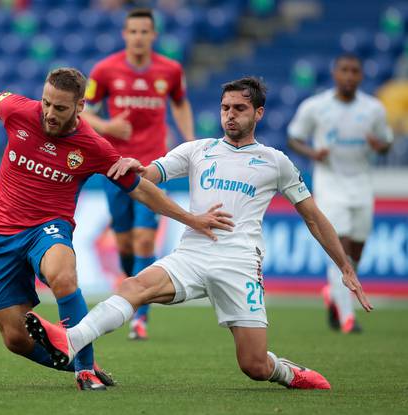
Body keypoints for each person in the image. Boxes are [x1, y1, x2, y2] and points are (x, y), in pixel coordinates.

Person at [25, 77, 374, 390]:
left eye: (239, 108)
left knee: (254, 365)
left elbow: (313, 217)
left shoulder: (276, 162)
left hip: (239, 264)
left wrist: (344, 266)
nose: (230, 115)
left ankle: (286, 372)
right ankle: (71, 341)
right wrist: (136, 169)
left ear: (259, 113)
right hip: (192, 255)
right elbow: (151, 174)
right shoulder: (198, 151)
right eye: (225, 108)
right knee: (134, 286)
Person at [0, 67, 233, 391]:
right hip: (1, 233)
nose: (49, 114)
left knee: (63, 274)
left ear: (80, 107)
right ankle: (77, 361)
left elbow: (138, 188)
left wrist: (192, 218)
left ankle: (85, 371)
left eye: (60, 108)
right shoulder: (18, 111)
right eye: (46, 103)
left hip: (48, 228)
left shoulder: (93, 146)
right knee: (14, 338)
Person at [81, 8, 195, 340]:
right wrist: (109, 126)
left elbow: (180, 103)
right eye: (133, 31)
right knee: (125, 243)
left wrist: (189, 140)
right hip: (115, 166)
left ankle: (139, 316)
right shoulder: (105, 70)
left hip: (152, 169)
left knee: (146, 238)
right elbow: (85, 113)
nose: (139, 37)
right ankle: (133, 296)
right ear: (125, 34)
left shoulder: (170, 70)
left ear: (153, 35)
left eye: (145, 31)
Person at [287, 54, 392, 334]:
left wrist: (378, 145)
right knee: (340, 248)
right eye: (344, 70)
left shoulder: (373, 109)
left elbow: (387, 144)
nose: (349, 76)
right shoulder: (316, 107)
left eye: (354, 71)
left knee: (356, 249)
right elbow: (293, 137)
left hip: (361, 184)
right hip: (330, 184)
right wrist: (312, 153)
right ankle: (347, 317)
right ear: (335, 74)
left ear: (361, 76)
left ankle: (333, 292)